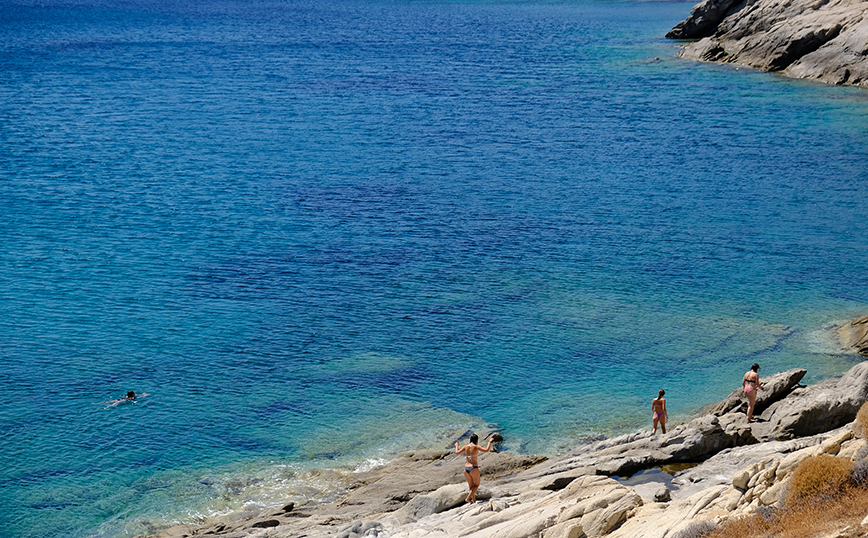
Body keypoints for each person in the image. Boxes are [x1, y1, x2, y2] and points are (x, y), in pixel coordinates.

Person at [455, 434, 494, 504]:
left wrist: (456, 445)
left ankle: (473, 500)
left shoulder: (466, 446)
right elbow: (486, 450)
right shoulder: (476, 446)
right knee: (476, 485)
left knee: (471, 486)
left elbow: (457, 452)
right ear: (476, 440)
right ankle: (467, 498)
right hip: (473, 468)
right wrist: (489, 442)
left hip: (466, 468)